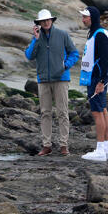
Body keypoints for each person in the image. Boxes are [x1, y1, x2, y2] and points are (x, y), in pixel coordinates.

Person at [24, 9, 79, 156]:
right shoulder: (37, 37)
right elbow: (29, 55)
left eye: (48, 20)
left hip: (61, 79)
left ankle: (63, 145)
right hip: (43, 80)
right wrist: (35, 39)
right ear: (39, 23)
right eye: (43, 21)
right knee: (45, 113)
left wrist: (65, 65)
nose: (46, 22)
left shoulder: (63, 35)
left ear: (52, 20)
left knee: (62, 112)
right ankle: (46, 145)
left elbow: (74, 53)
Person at [79, 6, 108, 162]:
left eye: (85, 17)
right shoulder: (95, 32)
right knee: (103, 109)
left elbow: (106, 59)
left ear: (92, 17)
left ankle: (100, 149)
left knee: (97, 112)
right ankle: (106, 148)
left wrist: (101, 81)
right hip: (95, 77)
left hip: (97, 78)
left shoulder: (100, 34)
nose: (83, 19)